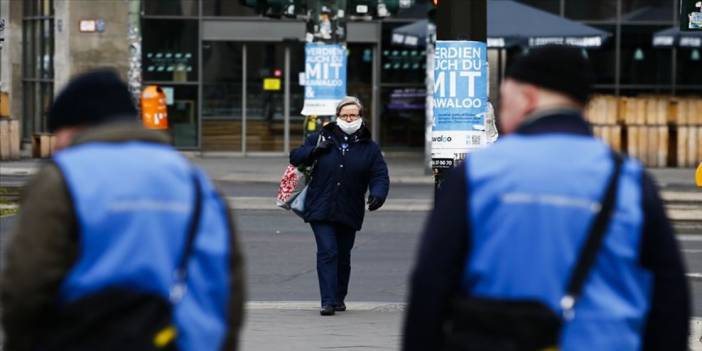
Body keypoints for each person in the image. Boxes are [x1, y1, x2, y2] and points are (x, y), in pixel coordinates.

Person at [403, 45, 689, 350]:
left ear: (527, 98)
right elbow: (669, 300)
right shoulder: (629, 180)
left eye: (504, 100)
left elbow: (431, 286)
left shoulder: (477, 173)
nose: (501, 111)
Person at [0, 70, 245, 351]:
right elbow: (226, 283)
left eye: (58, 133)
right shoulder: (194, 182)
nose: (58, 144)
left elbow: (26, 282)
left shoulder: (62, 179)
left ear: (74, 127)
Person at [290, 96, 389, 316]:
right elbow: (295, 157)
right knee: (328, 252)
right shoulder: (320, 138)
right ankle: (327, 301)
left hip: (349, 207)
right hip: (320, 206)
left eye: (353, 115)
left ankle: (338, 297)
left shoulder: (370, 147)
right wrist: (314, 151)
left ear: (360, 117)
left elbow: (379, 174)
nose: (349, 119)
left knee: (343, 255)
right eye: (344, 115)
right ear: (338, 117)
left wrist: (378, 194)